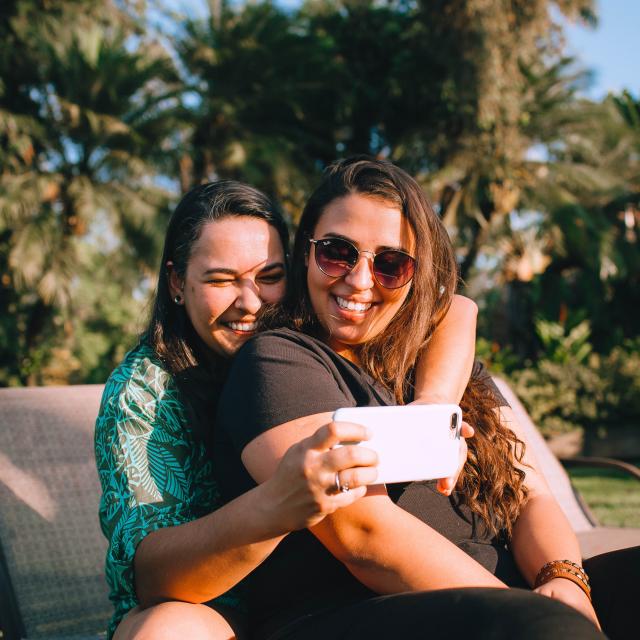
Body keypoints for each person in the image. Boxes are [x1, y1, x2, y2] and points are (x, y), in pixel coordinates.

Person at [214, 157, 620, 639]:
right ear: (306, 253)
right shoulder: (278, 360)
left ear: (416, 273)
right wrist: (530, 613)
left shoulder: (442, 363)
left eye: (390, 264)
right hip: (355, 613)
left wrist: (564, 580)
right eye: (337, 253)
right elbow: (364, 536)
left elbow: (530, 493)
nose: (359, 280)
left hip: (506, 605)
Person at [95, 179, 481, 639]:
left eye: (269, 276)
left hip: (314, 596)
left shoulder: (307, 340)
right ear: (177, 282)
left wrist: (434, 409)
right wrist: (274, 506)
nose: (250, 303)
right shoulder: (145, 393)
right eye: (220, 280)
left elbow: (455, 307)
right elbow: (152, 577)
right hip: (210, 604)